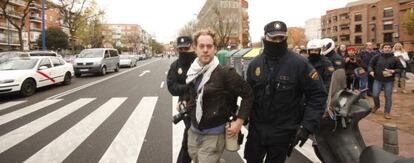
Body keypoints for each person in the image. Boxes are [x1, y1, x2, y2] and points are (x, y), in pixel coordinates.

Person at [244, 20, 327, 163]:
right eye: (273, 38)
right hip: (257, 130)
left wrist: (307, 126)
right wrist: (240, 119)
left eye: (281, 38)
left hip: (283, 131)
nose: (277, 41)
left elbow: (317, 94)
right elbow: (247, 96)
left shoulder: (299, 64)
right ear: (265, 38)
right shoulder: (254, 65)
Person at [184, 29, 253, 163]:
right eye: (201, 46)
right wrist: (184, 102)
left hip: (214, 133)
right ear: (195, 49)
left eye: (209, 46)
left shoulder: (225, 73)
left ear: (215, 49)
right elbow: (192, 94)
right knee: (196, 158)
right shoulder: (193, 71)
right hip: (194, 130)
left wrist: (239, 121)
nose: (205, 50)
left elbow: (248, 94)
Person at [167, 36, 197, 163]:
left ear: (192, 46)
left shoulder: (199, 61)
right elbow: (172, 87)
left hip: (204, 105)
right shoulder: (175, 65)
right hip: (185, 106)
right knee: (188, 137)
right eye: (181, 49)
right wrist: (188, 87)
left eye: (187, 48)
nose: (184, 51)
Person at [369, 43, 403, 119]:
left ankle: (387, 112)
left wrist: (393, 71)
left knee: (388, 97)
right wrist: (371, 71)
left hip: (389, 81)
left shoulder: (395, 58)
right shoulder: (377, 57)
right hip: (378, 79)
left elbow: (400, 69)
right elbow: (370, 65)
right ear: (383, 48)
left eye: (388, 47)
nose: (387, 49)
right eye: (385, 47)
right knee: (375, 95)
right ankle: (377, 106)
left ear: (391, 49)